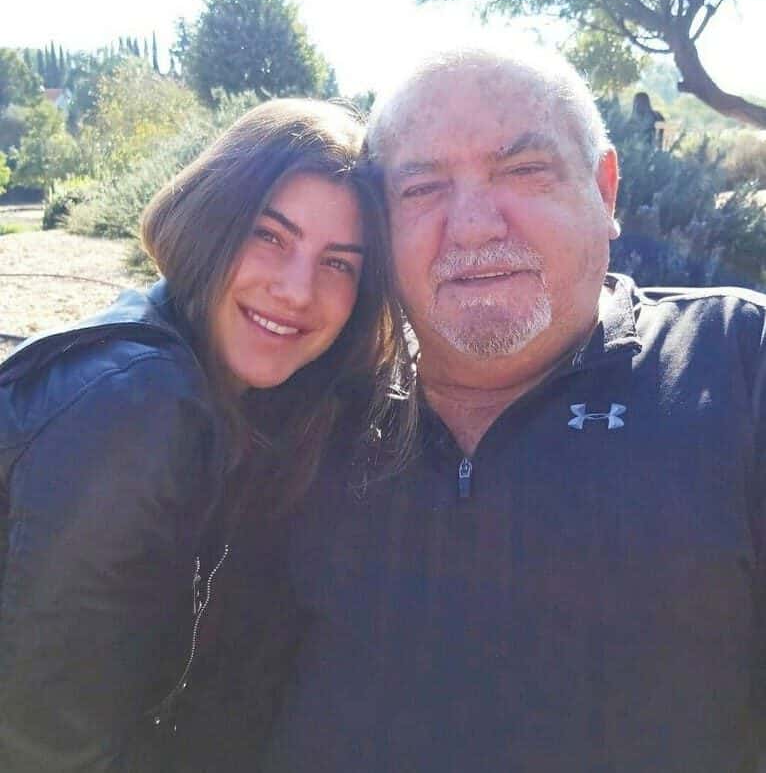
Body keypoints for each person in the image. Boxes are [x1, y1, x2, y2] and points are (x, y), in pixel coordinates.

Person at [257, 48, 766, 772]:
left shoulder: (737, 366)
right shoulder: (308, 405)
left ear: (605, 190)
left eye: (524, 171)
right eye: (422, 188)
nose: (472, 227)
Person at [0, 98, 414, 772]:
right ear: (211, 222)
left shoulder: (240, 392)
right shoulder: (136, 410)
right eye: (270, 236)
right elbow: (46, 745)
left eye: (338, 263)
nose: (296, 290)